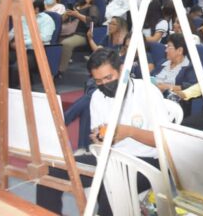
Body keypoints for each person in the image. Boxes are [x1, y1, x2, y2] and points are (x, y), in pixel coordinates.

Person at [36, 49, 166, 216]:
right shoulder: (98, 97)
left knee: (109, 184)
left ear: (121, 71)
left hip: (148, 161)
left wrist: (129, 132)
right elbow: (99, 140)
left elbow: (165, 141)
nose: (104, 84)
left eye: (109, 78)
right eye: (98, 81)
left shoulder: (147, 92)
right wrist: (100, 138)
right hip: (109, 159)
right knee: (51, 170)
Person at [58, 0, 101, 78]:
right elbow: (61, 21)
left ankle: (60, 70)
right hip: (68, 32)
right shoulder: (75, 6)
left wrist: (77, 15)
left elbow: (93, 21)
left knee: (66, 44)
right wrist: (66, 15)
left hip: (82, 34)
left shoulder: (92, 8)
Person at [153, 33, 196, 98]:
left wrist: (168, 87)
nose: (166, 50)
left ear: (180, 50)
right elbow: (151, 76)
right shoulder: (162, 63)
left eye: (169, 47)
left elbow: (191, 87)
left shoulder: (189, 68)